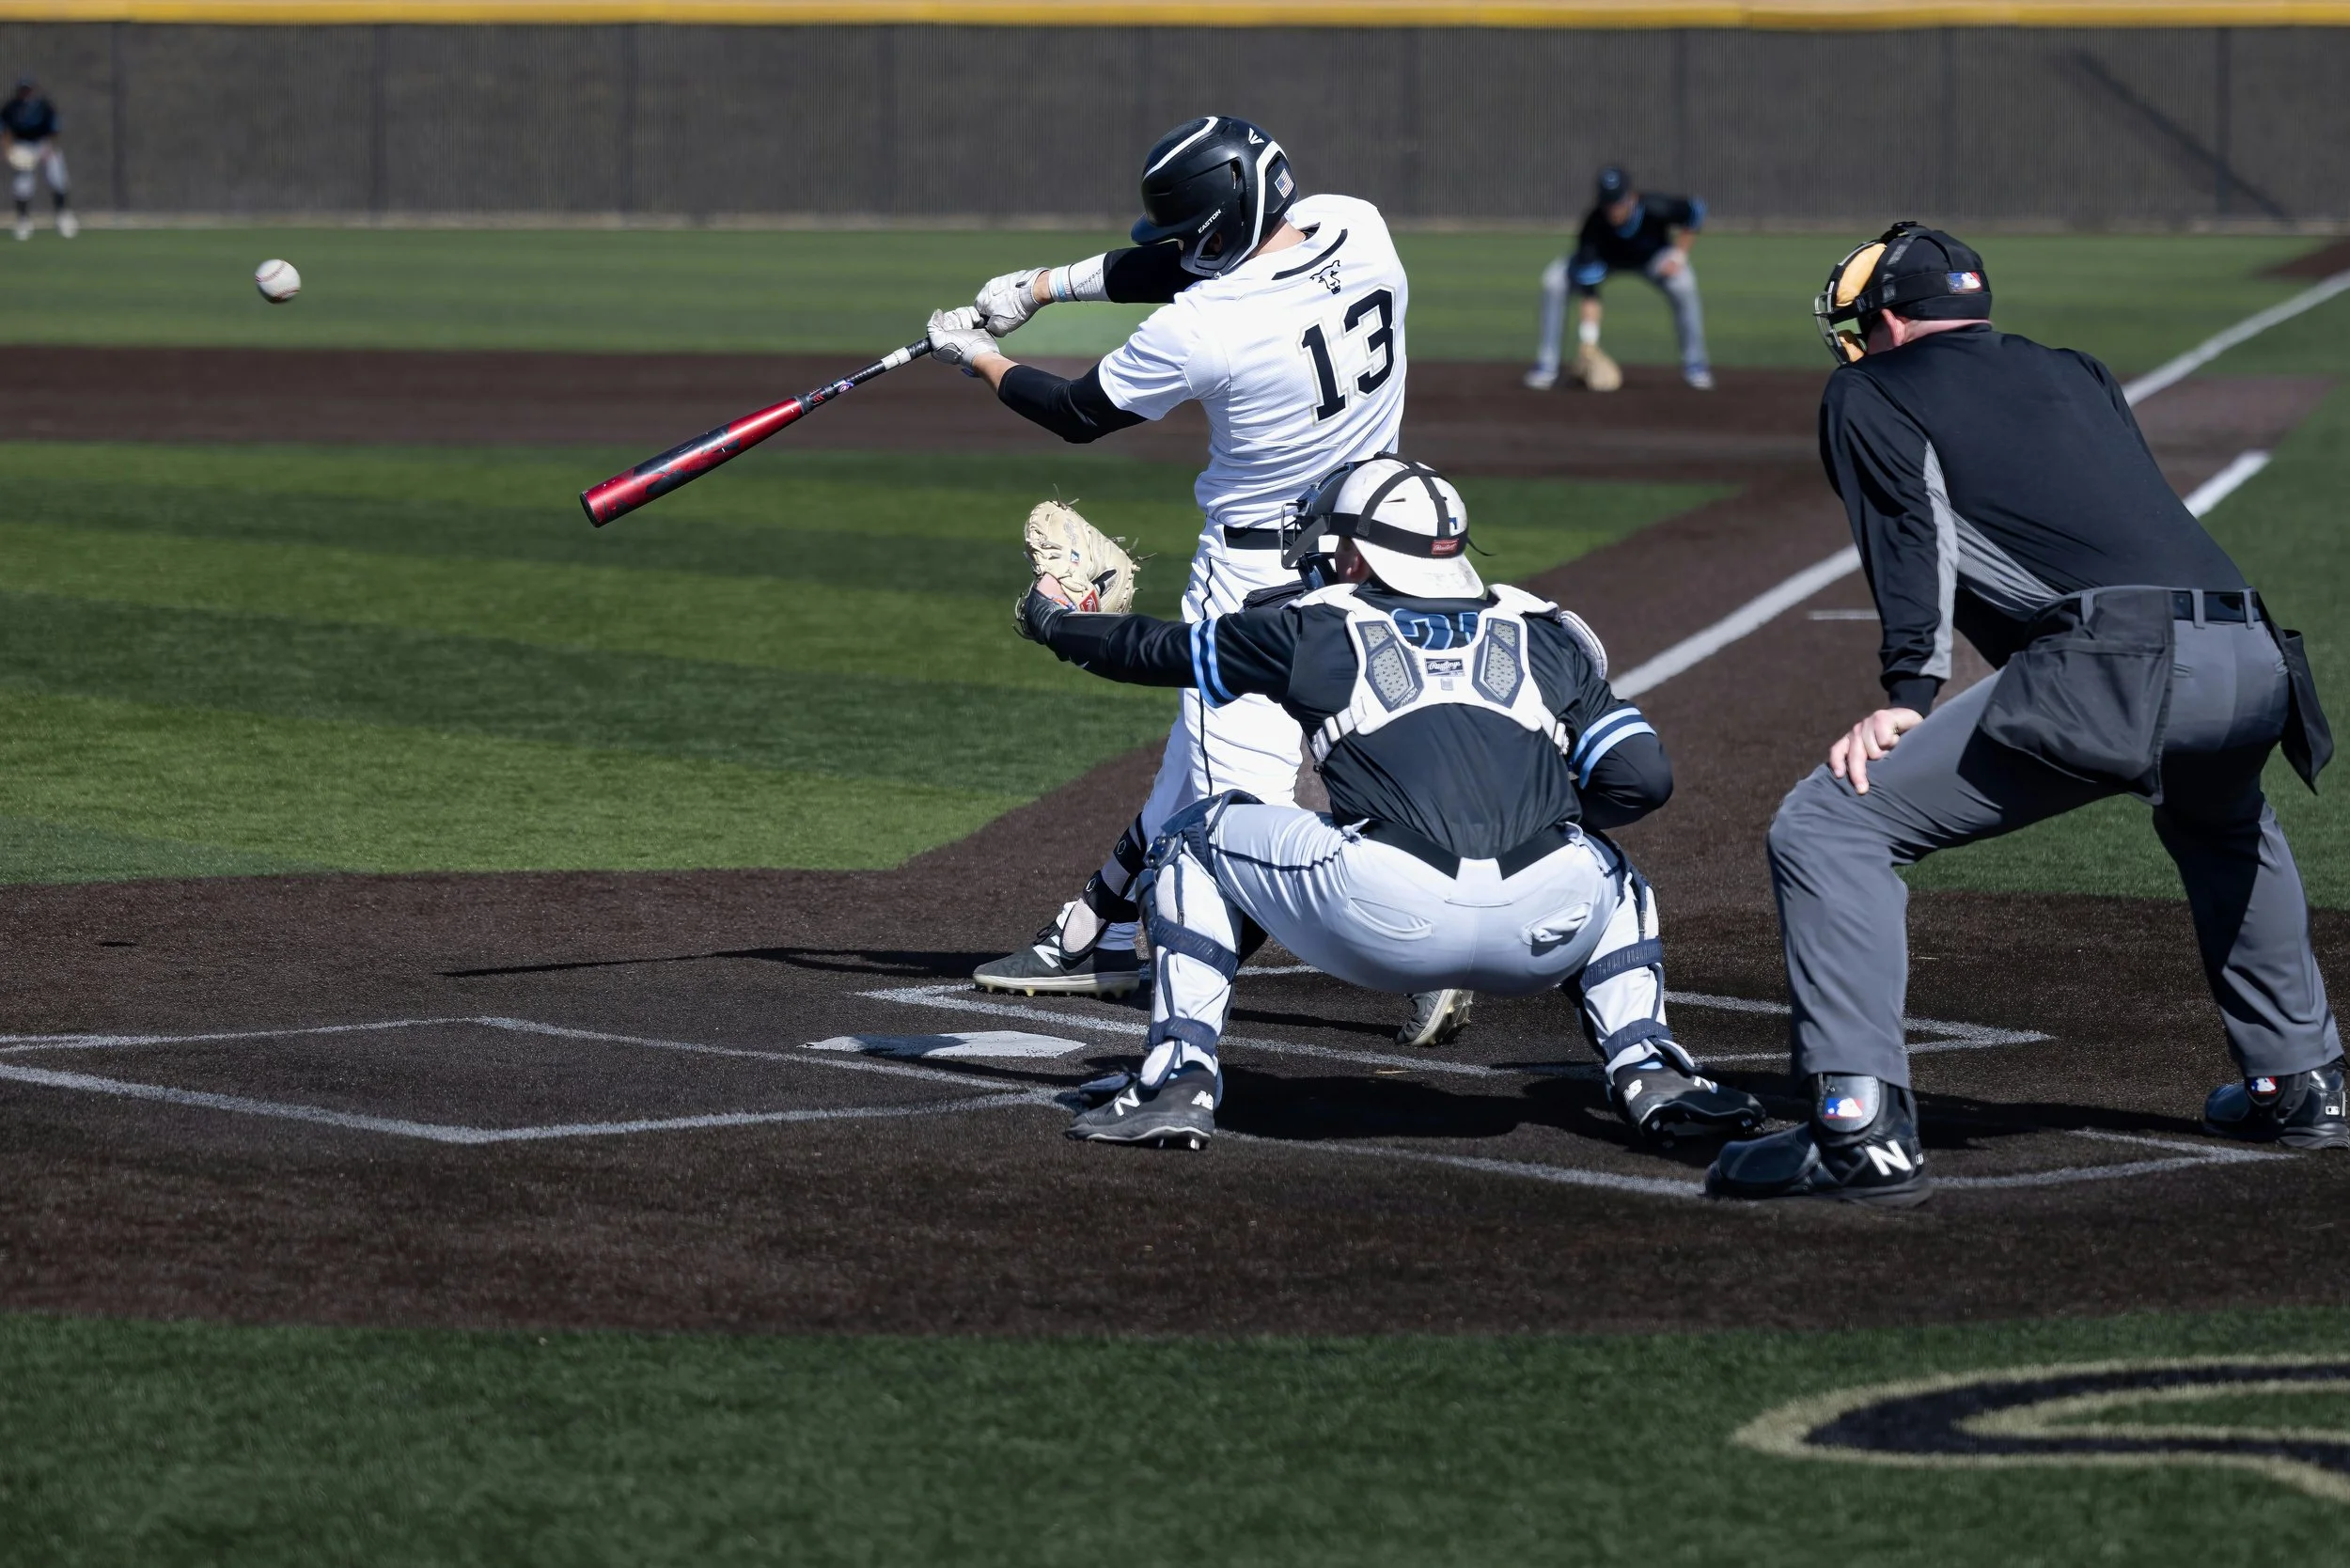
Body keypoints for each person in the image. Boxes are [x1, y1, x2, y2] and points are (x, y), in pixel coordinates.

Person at [1707, 221, 2343, 1207]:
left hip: (2128, 659)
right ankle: (2302, 1084)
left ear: (1883, 322)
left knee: (1830, 824)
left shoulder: (1868, 390)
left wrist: (1908, 696)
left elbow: (1910, 533)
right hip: (2254, 651)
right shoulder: (2076, 372)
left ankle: (1856, 1128)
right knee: (2222, 822)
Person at [1009, 454, 1765, 1149]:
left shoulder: (1315, 629)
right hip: (1547, 929)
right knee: (1607, 867)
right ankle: (1653, 1072)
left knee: (1192, 838)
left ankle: (1176, 1081)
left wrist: (1054, 620)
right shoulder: (1545, 632)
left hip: (1385, 921)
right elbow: (1643, 778)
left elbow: (1149, 651)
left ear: (1362, 554)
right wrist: (1542, 820)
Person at [928, 115, 1476, 1048]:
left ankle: (1417, 949)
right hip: (1378, 548)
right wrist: (1042, 288)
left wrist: (975, 352)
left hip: (1257, 578)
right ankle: (1090, 933)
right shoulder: (1361, 224)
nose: (1180, 253)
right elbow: (1187, 257)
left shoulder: (1204, 328)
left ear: (1216, 233)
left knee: (1240, 827)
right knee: (1198, 750)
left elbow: (1073, 414)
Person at [1526, 165, 1707, 393]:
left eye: (1618, 201)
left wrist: (1679, 255)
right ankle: (1547, 365)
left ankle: (1696, 365)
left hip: (1652, 259)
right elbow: (1590, 292)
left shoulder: (1655, 206)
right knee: (1554, 281)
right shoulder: (1593, 227)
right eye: (1608, 202)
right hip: (1606, 261)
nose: (1614, 209)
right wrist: (1589, 344)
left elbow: (1696, 211)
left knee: (1683, 283)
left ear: (1631, 196)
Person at [3, 77, 75, 242]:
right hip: (22, 146)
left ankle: (63, 217)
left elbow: (54, 129)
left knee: (57, 179)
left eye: (28, 89)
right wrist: (8, 151)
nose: (25, 93)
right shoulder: (10, 107)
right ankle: (23, 221)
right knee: (22, 185)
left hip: (44, 144)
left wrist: (49, 148)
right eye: (23, 89)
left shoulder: (44, 106)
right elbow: (4, 131)